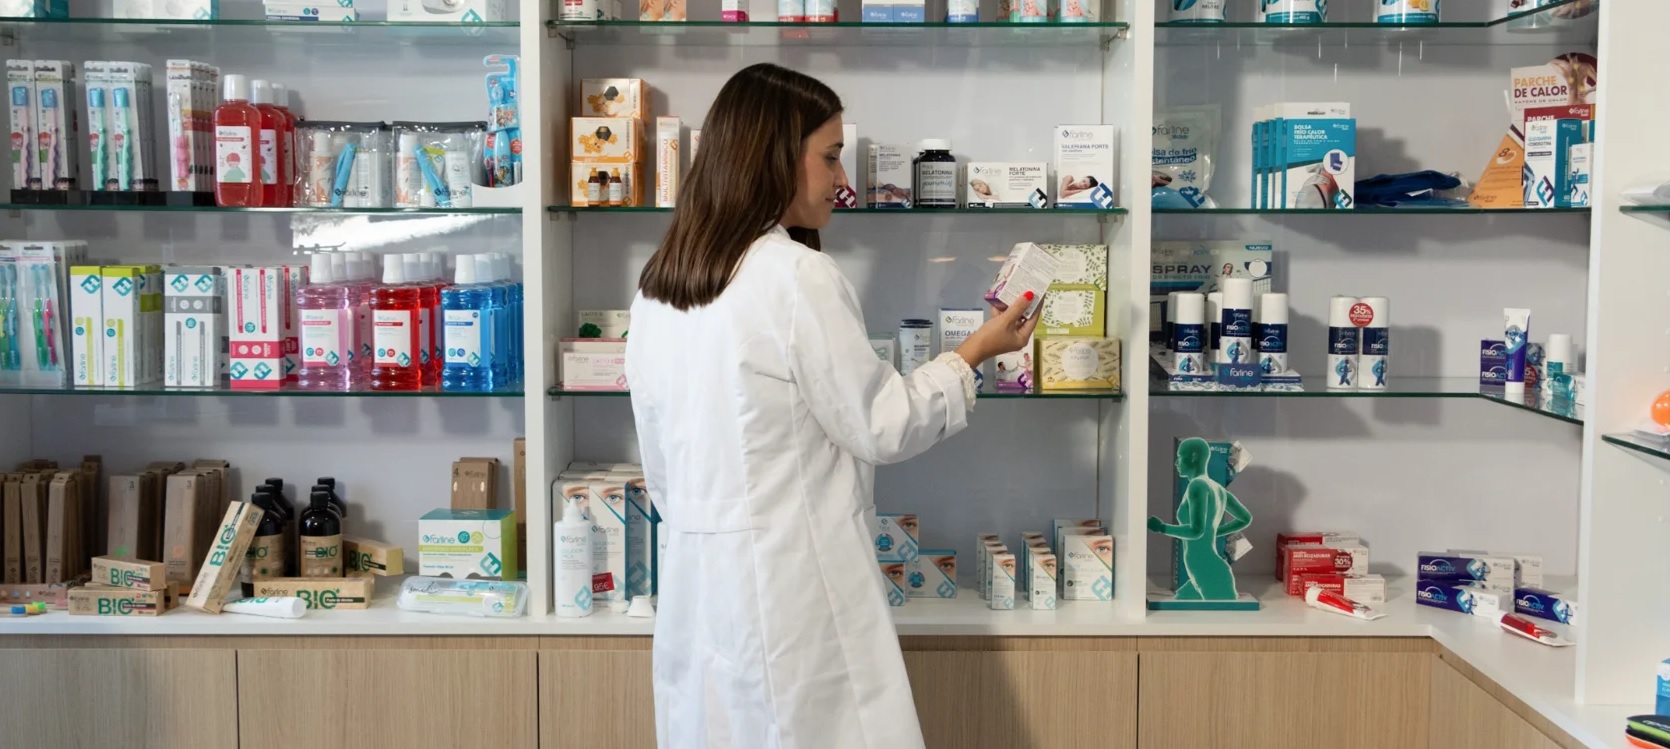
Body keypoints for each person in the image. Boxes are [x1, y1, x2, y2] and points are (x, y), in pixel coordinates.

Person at [625, 63, 1040, 749]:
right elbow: (884, 423)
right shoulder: (794, 276)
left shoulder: (659, 289)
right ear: (774, 157)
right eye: (830, 155)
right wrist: (975, 351)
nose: (842, 178)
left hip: (699, 592)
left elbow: (663, 470)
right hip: (793, 594)